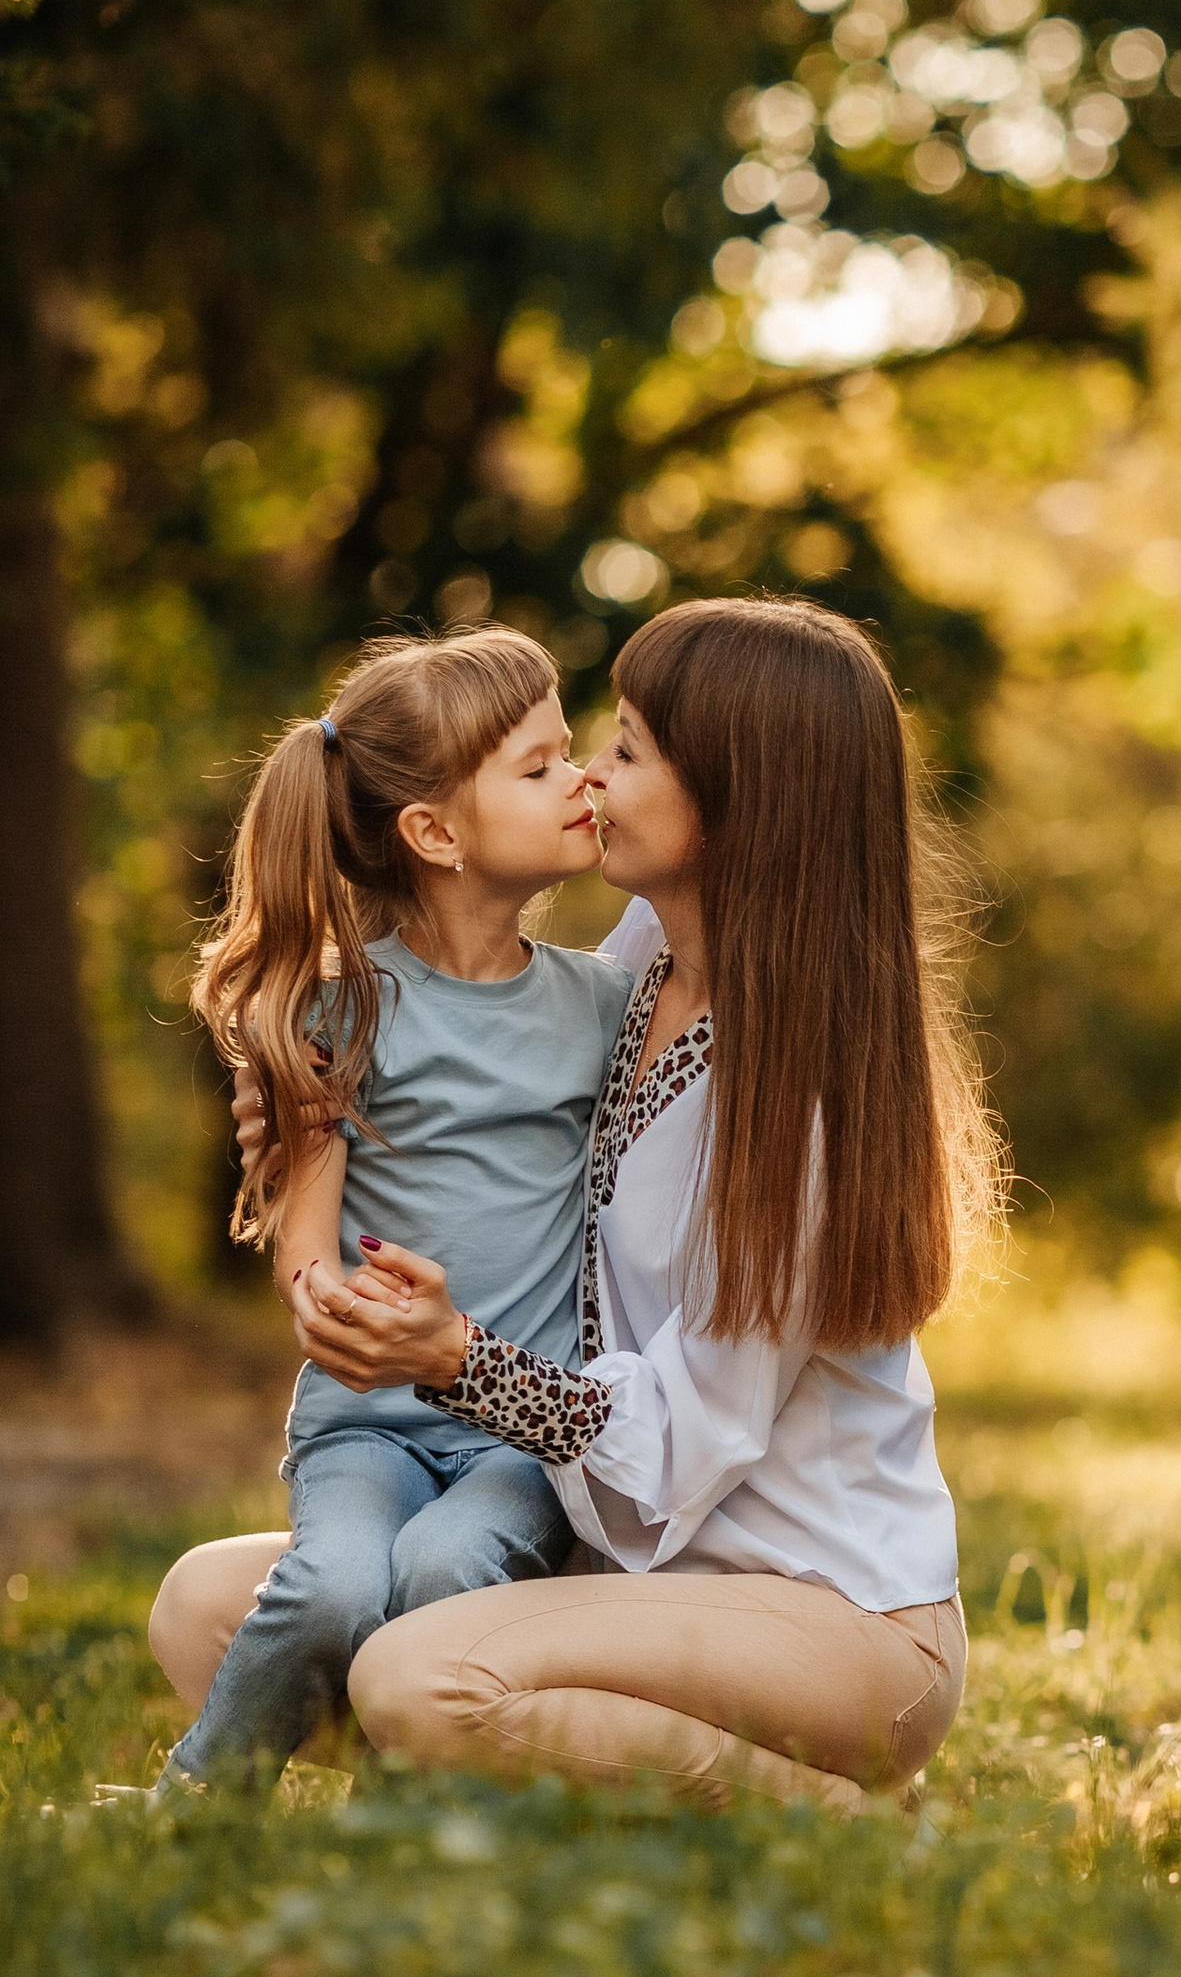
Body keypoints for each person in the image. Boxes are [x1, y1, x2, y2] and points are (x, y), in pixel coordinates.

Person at [155, 596, 996, 1811]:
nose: (591, 775)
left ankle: (848, 1820)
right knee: (202, 1609)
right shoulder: (642, 962)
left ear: (739, 798)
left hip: (815, 1602)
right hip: (623, 1569)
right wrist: (298, 1104)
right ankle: (499, 1780)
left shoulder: (798, 1102)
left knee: (411, 1677)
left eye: (629, 749)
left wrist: (461, 1361)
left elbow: (681, 1445)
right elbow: (466, 1080)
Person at [150, 631, 630, 1786]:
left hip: (520, 1429)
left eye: (569, 751)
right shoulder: (343, 1012)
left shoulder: (606, 1004)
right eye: (538, 767)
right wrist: (329, 1305)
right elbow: (304, 1240)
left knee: (446, 1572)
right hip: (367, 1424)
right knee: (332, 1586)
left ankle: (425, 1827)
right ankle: (194, 1801)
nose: (581, 778)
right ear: (435, 834)